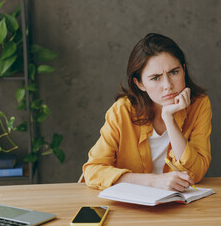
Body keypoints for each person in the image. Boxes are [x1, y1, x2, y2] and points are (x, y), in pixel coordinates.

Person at [83, 33, 212, 192]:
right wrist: (152, 181)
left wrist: (169, 120)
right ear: (139, 84)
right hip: (130, 207)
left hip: (178, 205)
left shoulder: (199, 105)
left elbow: (195, 173)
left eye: (174, 72)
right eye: (155, 78)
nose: (168, 85)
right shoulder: (121, 111)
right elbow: (93, 171)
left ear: (184, 69)